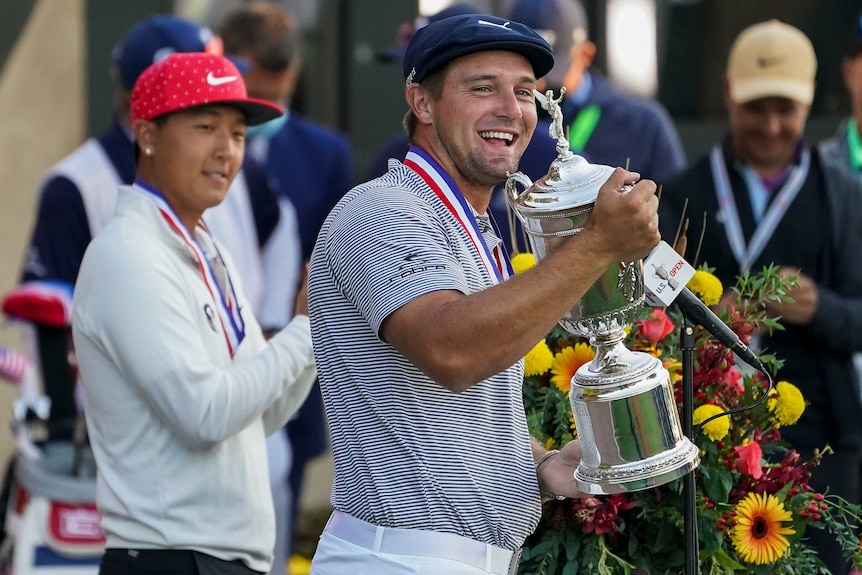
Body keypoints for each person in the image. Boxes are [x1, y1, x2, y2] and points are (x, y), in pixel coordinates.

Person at [307, 13, 660, 574]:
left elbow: (449, 415)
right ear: (421, 103)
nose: (510, 109)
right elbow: (453, 352)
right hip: (400, 557)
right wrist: (597, 245)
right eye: (482, 88)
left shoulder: (475, 226)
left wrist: (539, 468)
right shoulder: (379, 208)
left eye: (524, 92)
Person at [19, 15, 303, 575]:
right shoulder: (130, 253)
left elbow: (257, 416)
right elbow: (204, 415)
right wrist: (305, 330)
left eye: (239, 133)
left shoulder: (199, 244)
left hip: (209, 555)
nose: (227, 150)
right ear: (146, 135)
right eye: (205, 126)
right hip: (171, 557)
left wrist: (315, 337)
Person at [658, 20, 862, 574]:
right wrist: (699, 320)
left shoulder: (844, 198)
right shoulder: (681, 194)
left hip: (822, 446)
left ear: (810, 99)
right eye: (755, 108)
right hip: (711, 444)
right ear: (728, 93)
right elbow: (649, 319)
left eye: (785, 109)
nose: (771, 126)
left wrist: (821, 307)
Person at [218, 3, 354, 557]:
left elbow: (330, 257)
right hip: (215, 355)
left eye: (280, 95)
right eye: (258, 96)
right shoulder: (194, 151)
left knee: (278, 511)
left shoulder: (325, 153)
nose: (267, 110)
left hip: (294, 355)